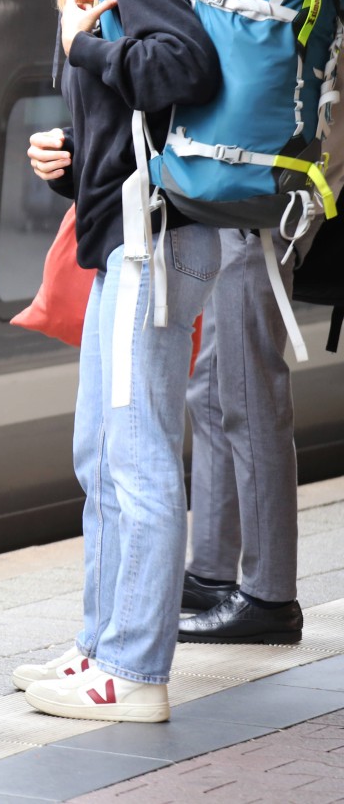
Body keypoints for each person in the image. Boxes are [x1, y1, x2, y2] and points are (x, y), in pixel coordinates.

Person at [10, 0, 221, 722]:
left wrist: (84, 49)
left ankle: (135, 670)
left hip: (155, 241)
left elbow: (184, 67)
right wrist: (66, 157)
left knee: (139, 456)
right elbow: (137, 115)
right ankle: (101, 647)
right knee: (101, 453)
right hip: (121, 241)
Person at [178, 229, 304, 643]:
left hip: (262, 208)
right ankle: (211, 572)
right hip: (239, 208)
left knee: (250, 396)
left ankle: (269, 598)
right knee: (212, 388)